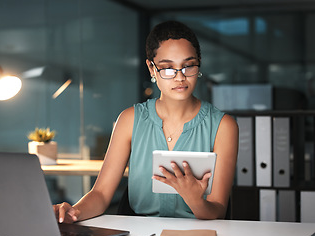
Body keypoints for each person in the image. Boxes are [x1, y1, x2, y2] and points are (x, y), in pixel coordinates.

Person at [54, 20, 238, 222]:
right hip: (140, 233)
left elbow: (218, 210)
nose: (179, 77)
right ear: (151, 68)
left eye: (188, 66)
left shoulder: (223, 126)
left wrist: (195, 200)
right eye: (167, 68)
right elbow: (101, 194)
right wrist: (74, 212)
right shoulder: (130, 120)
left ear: (199, 63)